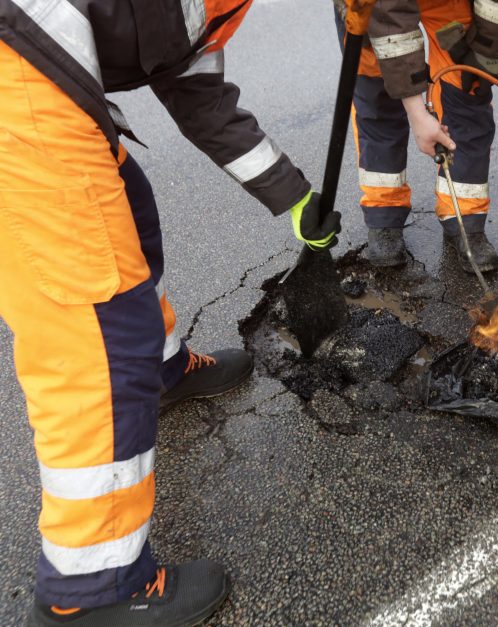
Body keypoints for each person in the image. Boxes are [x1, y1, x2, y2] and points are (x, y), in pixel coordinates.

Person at [0, 0, 340, 623]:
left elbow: (200, 97)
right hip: (16, 67)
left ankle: (159, 371)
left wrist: (295, 199)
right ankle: (92, 586)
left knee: (128, 208)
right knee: (95, 334)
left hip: (49, 70)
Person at [335, 0, 498, 271]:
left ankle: (465, 219)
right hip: (373, 6)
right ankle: (384, 216)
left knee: (467, 87)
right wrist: (416, 111)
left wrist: (484, 50)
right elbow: (390, 17)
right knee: (378, 95)